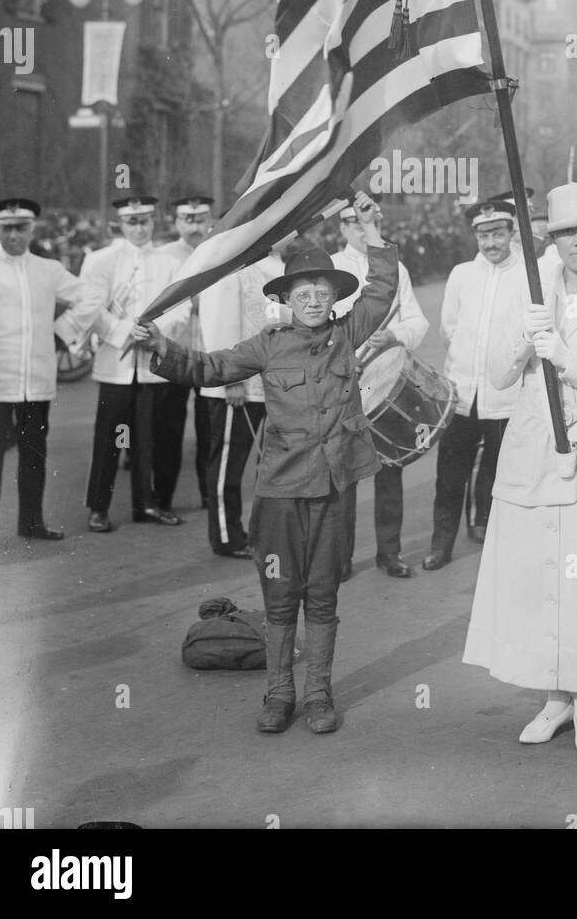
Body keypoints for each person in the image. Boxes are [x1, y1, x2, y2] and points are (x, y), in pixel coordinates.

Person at [132, 192, 397, 737]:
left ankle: (319, 694)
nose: (315, 301)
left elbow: (381, 288)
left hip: (334, 488)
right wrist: (160, 344)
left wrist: (371, 230)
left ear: (333, 298)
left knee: (323, 593)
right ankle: (279, 693)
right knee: (280, 595)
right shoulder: (268, 345)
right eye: (304, 292)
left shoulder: (348, 334)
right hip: (279, 493)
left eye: (323, 292)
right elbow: (208, 367)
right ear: (287, 298)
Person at [463, 182, 577, 755]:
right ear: (553, 236)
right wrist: (526, 335)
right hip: (533, 454)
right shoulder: (531, 290)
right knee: (541, 577)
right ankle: (555, 701)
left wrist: (564, 357)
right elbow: (496, 375)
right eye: (569, 231)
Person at [67, 195, 188, 532]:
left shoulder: (169, 262)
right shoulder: (101, 260)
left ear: (154, 222)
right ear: (119, 224)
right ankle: (99, 507)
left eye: (145, 220)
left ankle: (146, 504)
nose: (139, 227)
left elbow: (182, 308)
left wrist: (155, 332)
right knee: (112, 437)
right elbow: (91, 307)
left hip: (152, 364)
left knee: (148, 439)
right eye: (131, 222)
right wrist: (123, 331)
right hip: (116, 367)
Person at [422, 199, 525, 569]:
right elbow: (449, 327)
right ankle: (441, 544)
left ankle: (489, 532)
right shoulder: (462, 274)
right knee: (450, 476)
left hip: (506, 394)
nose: (491, 242)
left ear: (512, 232)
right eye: (484, 235)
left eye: (498, 233)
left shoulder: (528, 275)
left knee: (498, 469)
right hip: (462, 393)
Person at [331, 202, 428, 580]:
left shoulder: (396, 266)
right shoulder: (332, 268)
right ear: (341, 228)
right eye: (351, 222)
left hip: (386, 384)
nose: (358, 228)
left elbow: (417, 320)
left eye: (365, 221)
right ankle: (340, 558)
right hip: (345, 385)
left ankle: (390, 553)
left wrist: (396, 333)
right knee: (345, 476)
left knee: (390, 469)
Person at [0, 198, 83, 549]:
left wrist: (63, 329)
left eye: (20, 227)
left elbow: (88, 298)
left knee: (34, 454)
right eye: (6, 227)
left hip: (37, 381)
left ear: (32, 228)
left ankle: (32, 522)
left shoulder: (49, 269)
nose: (13, 235)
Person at [196, 246, 285, 557]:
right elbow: (219, 325)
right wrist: (231, 380)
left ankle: (254, 531)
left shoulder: (272, 266)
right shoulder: (230, 269)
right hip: (237, 387)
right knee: (227, 465)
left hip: (265, 383)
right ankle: (225, 536)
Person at [157, 195, 215, 508]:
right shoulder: (164, 255)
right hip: (175, 350)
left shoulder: (222, 252)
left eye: (200, 218)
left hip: (208, 350)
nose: (194, 226)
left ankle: (209, 493)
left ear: (211, 219)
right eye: (187, 219)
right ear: (176, 222)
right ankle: (163, 496)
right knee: (169, 427)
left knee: (209, 428)